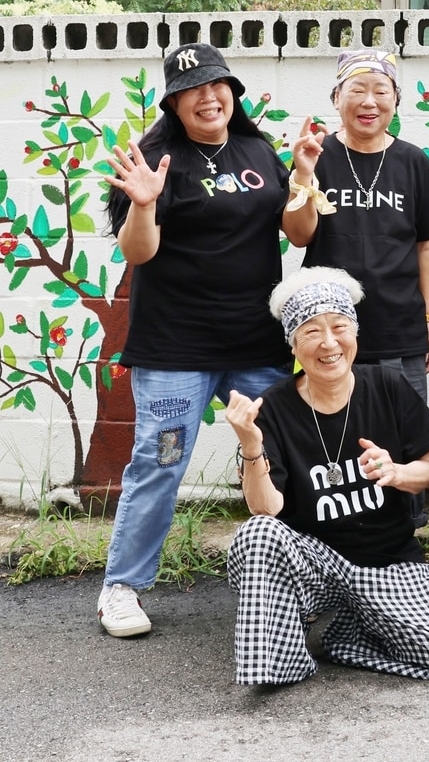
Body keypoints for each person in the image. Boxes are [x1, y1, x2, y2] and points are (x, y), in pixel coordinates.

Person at [98, 43, 292, 639]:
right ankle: (122, 587)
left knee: (287, 452)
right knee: (161, 461)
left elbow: (295, 226)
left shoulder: (259, 150)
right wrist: (144, 205)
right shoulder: (153, 159)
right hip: (175, 347)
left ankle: (300, 574)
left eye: (218, 86)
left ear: (232, 92)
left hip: (258, 342)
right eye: (194, 90)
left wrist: (306, 178)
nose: (209, 98)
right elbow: (139, 253)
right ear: (174, 102)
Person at [223, 267, 429, 685]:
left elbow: (428, 471)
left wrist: (395, 472)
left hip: (387, 563)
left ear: (354, 333)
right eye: (311, 332)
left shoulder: (387, 385)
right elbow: (264, 508)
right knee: (257, 534)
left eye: (339, 327)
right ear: (293, 342)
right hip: (315, 563)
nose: (328, 343)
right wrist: (252, 446)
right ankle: (282, 663)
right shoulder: (273, 407)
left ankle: (350, 637)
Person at [283, 49, 429, 528]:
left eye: (381, 90)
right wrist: (302, 176)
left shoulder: (413, 161)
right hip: (327, 332)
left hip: (401, 327)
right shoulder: (317, 154)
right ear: (337, 97)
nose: (369, 100)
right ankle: (330, 531)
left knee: (404, 433)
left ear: (396, 100)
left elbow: (428, 246)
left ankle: (405, 534)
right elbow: (298, 234)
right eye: (356, 89)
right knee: (328, 431)